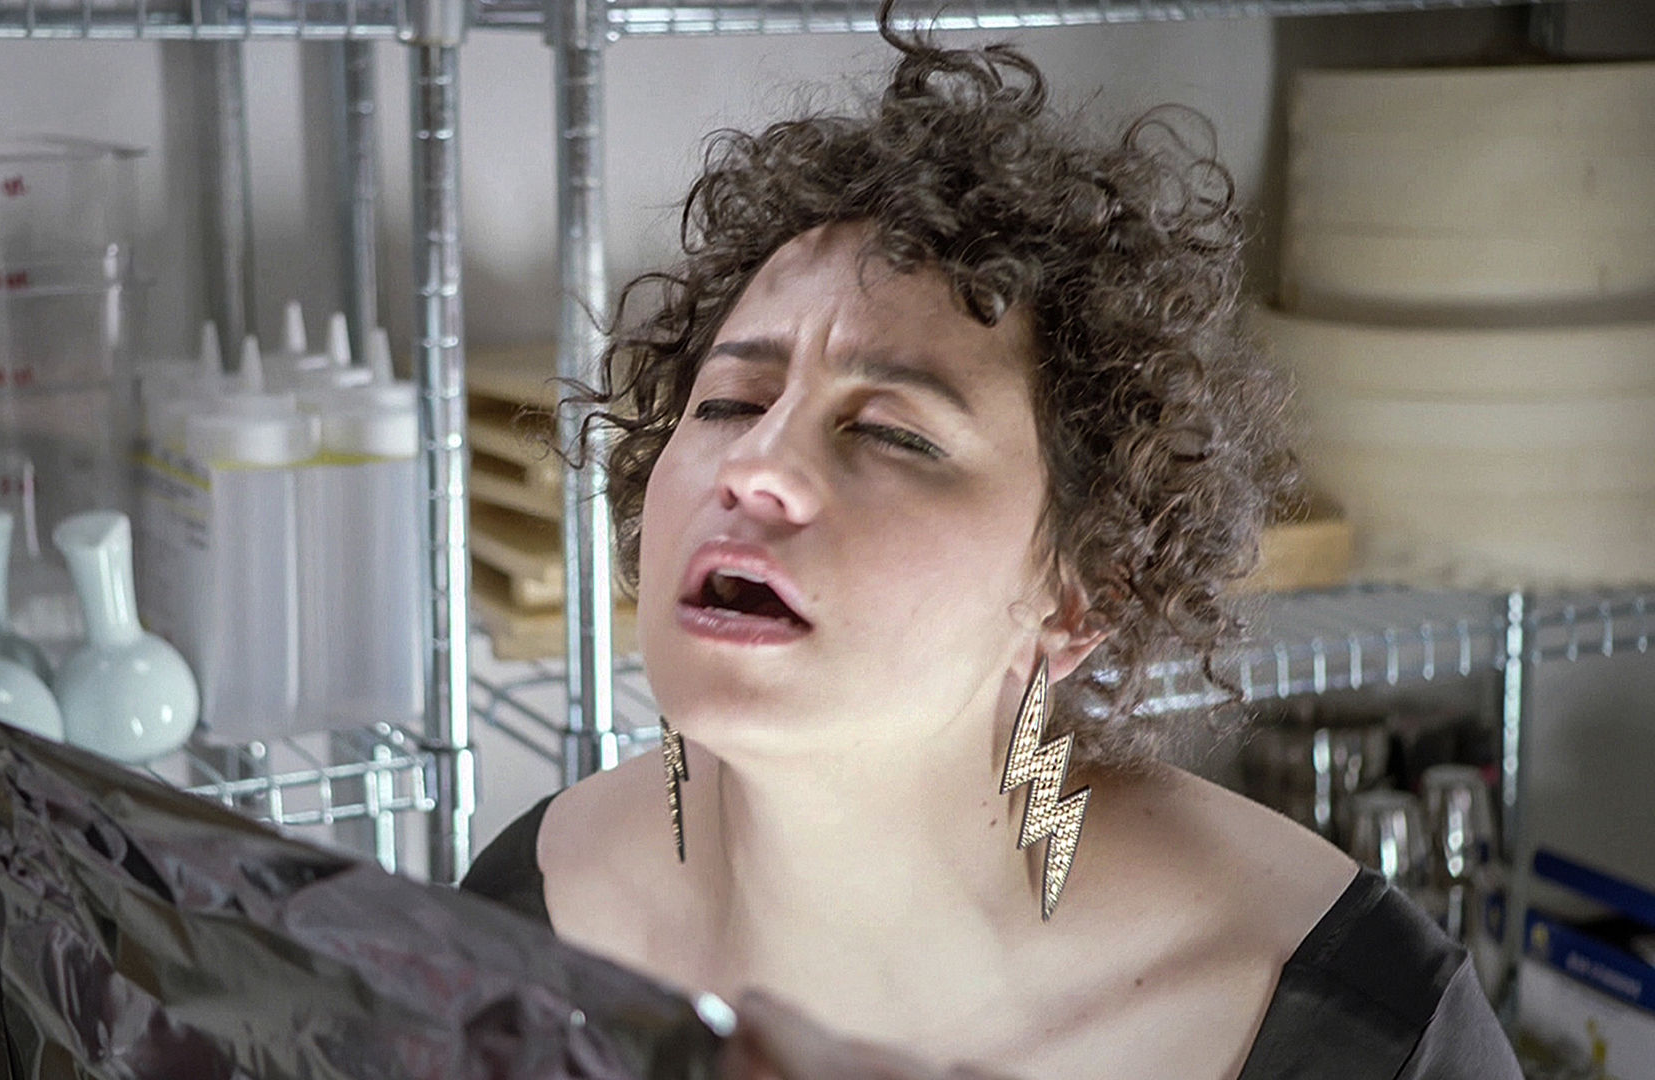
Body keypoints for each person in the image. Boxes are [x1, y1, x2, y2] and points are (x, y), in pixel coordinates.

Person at [461, 8, 1522, 1079]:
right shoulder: (525, 926)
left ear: (1083, 592)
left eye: (890, 433)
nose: (755, 465)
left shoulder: (1360, 1028)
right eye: (730, 402)